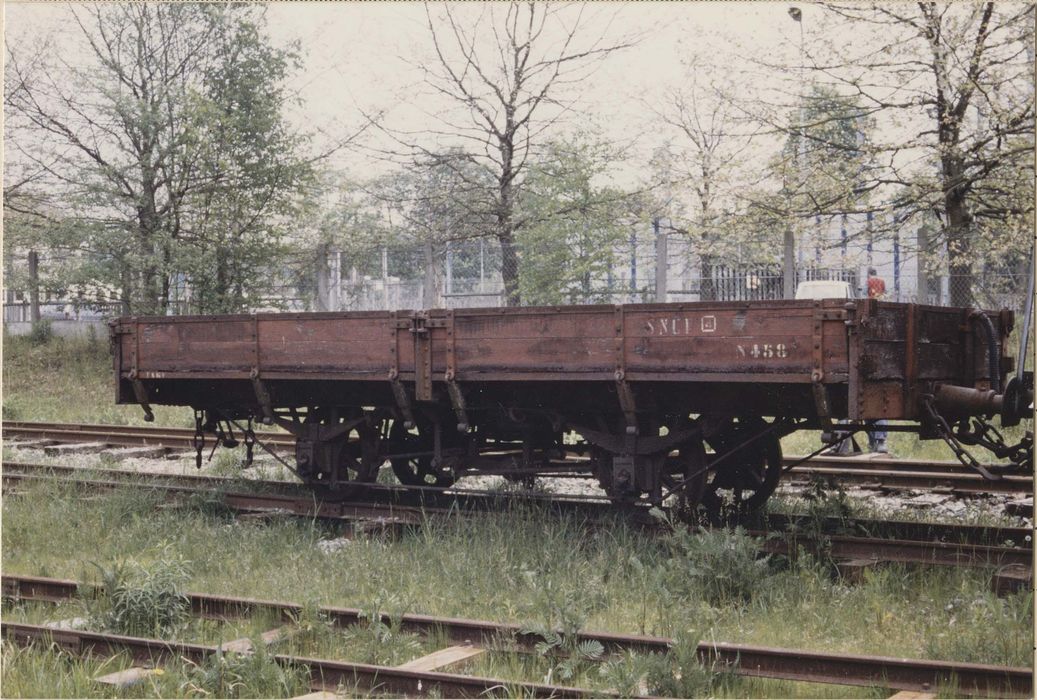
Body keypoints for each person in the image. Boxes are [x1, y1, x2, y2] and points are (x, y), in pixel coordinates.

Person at [865, 267, 888, 453]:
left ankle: (875, 441)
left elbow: (867, 294)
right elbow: (884, 293)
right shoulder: (880, 280)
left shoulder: (869, 281)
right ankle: (878, 441)